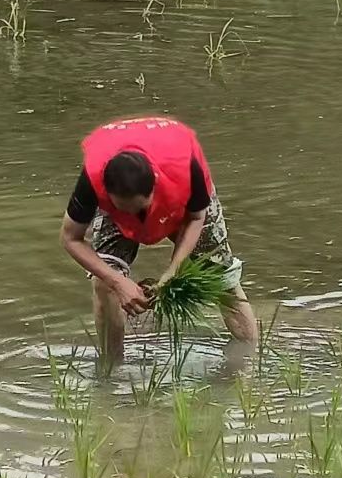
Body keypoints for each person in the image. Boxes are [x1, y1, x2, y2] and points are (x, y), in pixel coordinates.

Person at [60, 115, 259, 363]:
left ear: (154, 183)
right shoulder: (92, 180)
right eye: (125, 208)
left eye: (140, 208)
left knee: (222, 278)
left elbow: (197, 218)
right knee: (102, 285)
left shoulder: (187, 166)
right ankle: (111, 371)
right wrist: (117, 282)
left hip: (177, 195)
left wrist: (173, 271)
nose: (134, 216)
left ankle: (249, 363)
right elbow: (70, 238)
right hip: (118, 202)